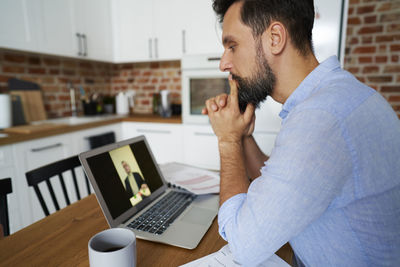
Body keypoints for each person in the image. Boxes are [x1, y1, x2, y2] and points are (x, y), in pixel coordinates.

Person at [202, 0, 400, 266]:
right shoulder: (331, 98)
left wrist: (228, 140)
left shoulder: (320, 118)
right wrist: (243, 136)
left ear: (275, 38)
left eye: (232, 46)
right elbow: (283, 190)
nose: (224, 63)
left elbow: (242, 245)